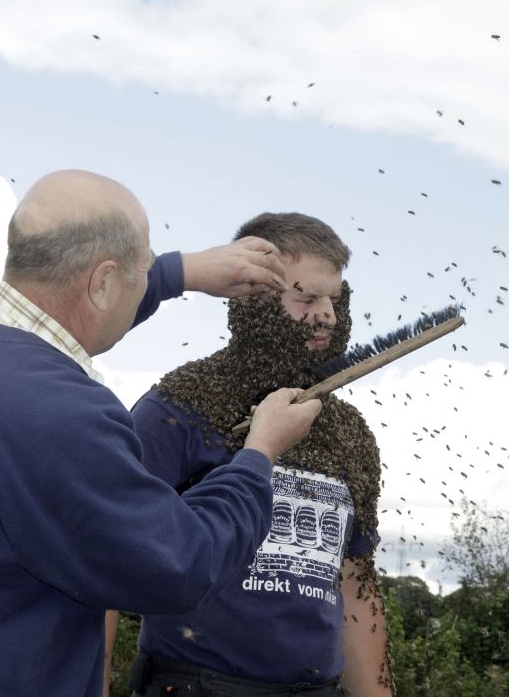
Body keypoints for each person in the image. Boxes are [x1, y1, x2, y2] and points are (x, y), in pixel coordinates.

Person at [0, 173, 323, 697]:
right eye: (144, 267)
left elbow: (67, 309)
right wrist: (258, 455)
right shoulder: (60, 415)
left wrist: (180, 272)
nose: (148, 275)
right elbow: (180, 565)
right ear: (105, 281)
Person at [113, 212, 394, 697]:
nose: (327, 315)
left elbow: (355, 586)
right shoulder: (176, 410)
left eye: (336, 299)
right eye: (307, 298)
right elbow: (104, 561)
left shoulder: (348, 433)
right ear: (252, 298)